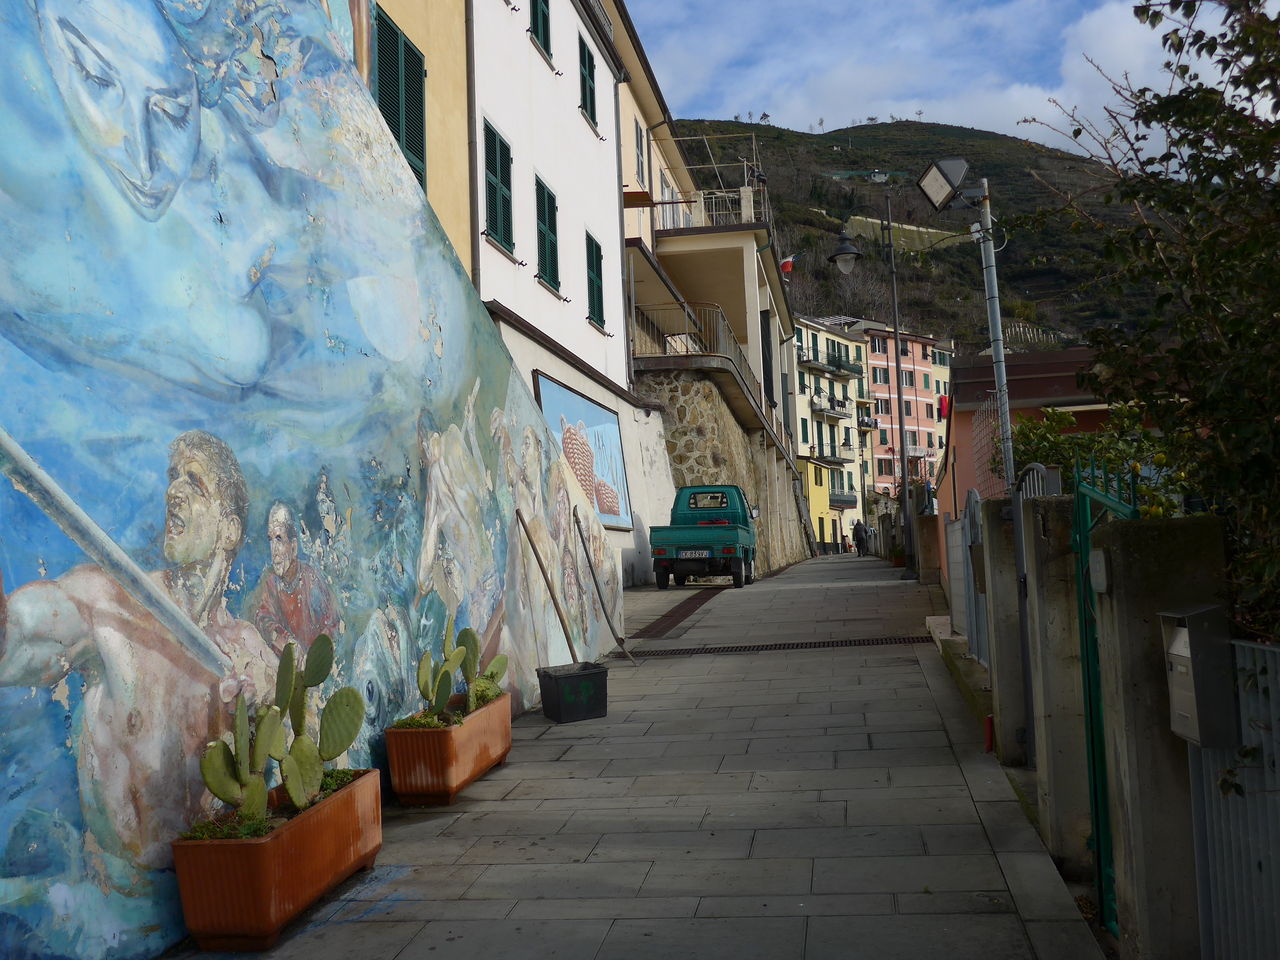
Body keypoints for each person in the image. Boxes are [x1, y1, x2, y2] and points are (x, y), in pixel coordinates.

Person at [0, 430, 277, 871]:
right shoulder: (110, 604)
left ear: (228, 530)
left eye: (194, 482)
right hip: (121, 900)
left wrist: (264, 691)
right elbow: (16, 641)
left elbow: (292, 718)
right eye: (173, 477)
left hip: (215, 882)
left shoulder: (243, 647)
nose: (173, 491)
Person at [253, 500, 340, 655]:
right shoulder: (271, 582)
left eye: (279, 539)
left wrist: (314, 656)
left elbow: (333, 623)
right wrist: (286, 641)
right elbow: (263, 619)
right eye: (270, 540)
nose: (274, 550)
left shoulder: (310, 579)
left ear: (293, 547)